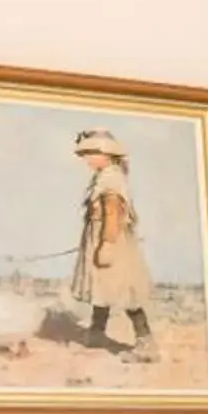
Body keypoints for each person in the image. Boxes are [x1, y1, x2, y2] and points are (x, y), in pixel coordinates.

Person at [69, 128, 157, 359]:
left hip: (112, 240)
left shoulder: (111, 179)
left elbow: (112, 212)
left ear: (105, 154)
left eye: (90, 154)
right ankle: (97, 334)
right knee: (102, 288)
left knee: (125, 291)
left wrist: (107, 243)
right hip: (100, 237)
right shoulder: (104, 176)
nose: (86, 159)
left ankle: (145, 344)